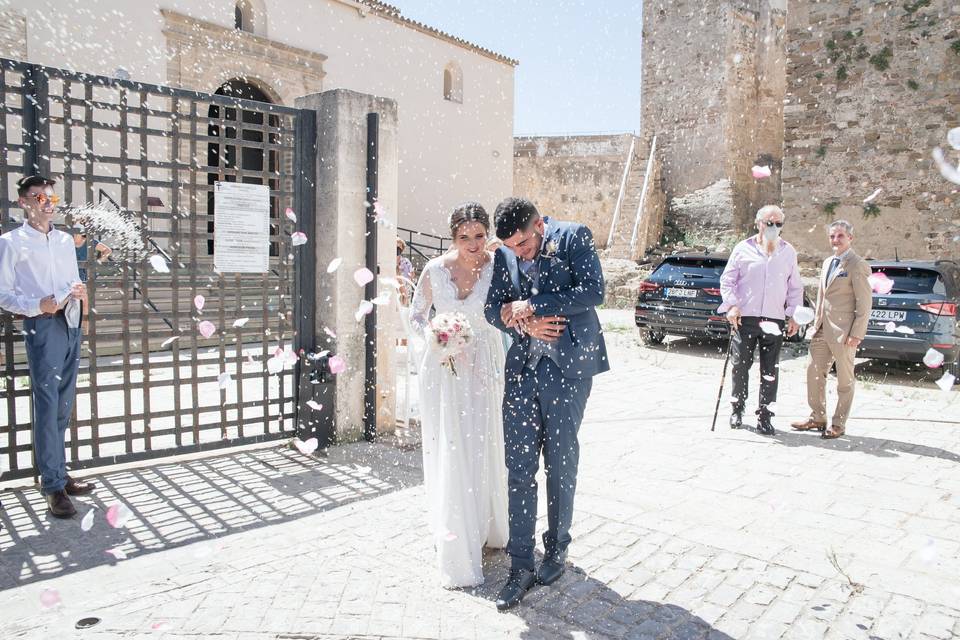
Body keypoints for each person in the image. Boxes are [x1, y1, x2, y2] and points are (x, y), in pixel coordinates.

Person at [484, 197, 608, 611]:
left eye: (522, 244)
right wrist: (520, 319)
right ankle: (520, 564)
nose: (517, 253)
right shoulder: (505, 252)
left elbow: (593, 291)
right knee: (519, 467)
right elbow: (491, 308)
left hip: (568, 369)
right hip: (522, 369)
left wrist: (535, 305)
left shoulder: (574, 236)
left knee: (560, 461)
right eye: (511, 247)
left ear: (539, 224)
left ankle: (557, 549)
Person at [410, 202, 508, 588]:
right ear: (452, 237)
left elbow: (507, 309)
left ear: (487, 234)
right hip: (445, 367)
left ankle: (484, 523)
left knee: (483, 442)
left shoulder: (498, 266)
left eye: (479, 235)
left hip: (484, 362)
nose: (473, 244)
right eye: (464, 237)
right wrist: (436, 335)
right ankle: (456, 533)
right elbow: (417, 314)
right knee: (453, 444)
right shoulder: (435, 270)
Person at [0, 175, 94, 518]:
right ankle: (52, 486)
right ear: (24, 202)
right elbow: (3, 294)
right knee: (47, 404)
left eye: (50, 199)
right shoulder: (11, 242)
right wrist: (36, 306)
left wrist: (78, 291)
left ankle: (59, 473)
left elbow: (70, 280)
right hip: (42, 327)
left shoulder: (66, 241)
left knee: (63, 404)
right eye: (39, 198)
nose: (46, 204)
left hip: (70, 324)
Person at [718, 205, 803, 435]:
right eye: (769, 223)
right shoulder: (742, 249)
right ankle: (737, 408)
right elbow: (727, 280)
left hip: (774, 319)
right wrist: (732, 305)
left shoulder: (788, 252)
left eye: (778, 224)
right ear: (758, 223)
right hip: (745, 317)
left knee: (770, 370)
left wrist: (793, 314)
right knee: (740, 366)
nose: (773, 228)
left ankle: (765, 415)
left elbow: (795, 287)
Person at [791, 220, 872, 439]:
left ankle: (838, 423)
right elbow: (822, 297)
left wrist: (857, 333)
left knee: (845, 380)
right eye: (832, 236)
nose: (836, 240)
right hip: (821, 329)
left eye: (840, 236)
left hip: (844, 333)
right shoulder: (828, 262)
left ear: (850, 238)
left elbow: (864, 303)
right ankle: (817, 417)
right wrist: (814, 324)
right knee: (813, 373)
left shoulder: (857, 264)